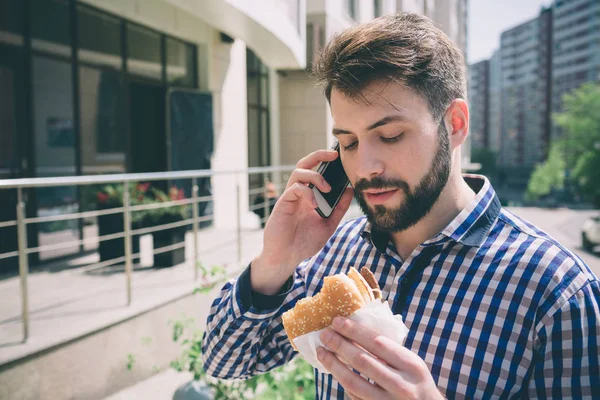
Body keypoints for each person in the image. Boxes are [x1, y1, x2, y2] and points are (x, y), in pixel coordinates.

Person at [201, 13, 600, 399]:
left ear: (456, 124)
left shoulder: (557, 292)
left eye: (390, 135)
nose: (365, 167)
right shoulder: (334, 252)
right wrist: (276, 261)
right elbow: (226, 361)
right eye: (349, 143)